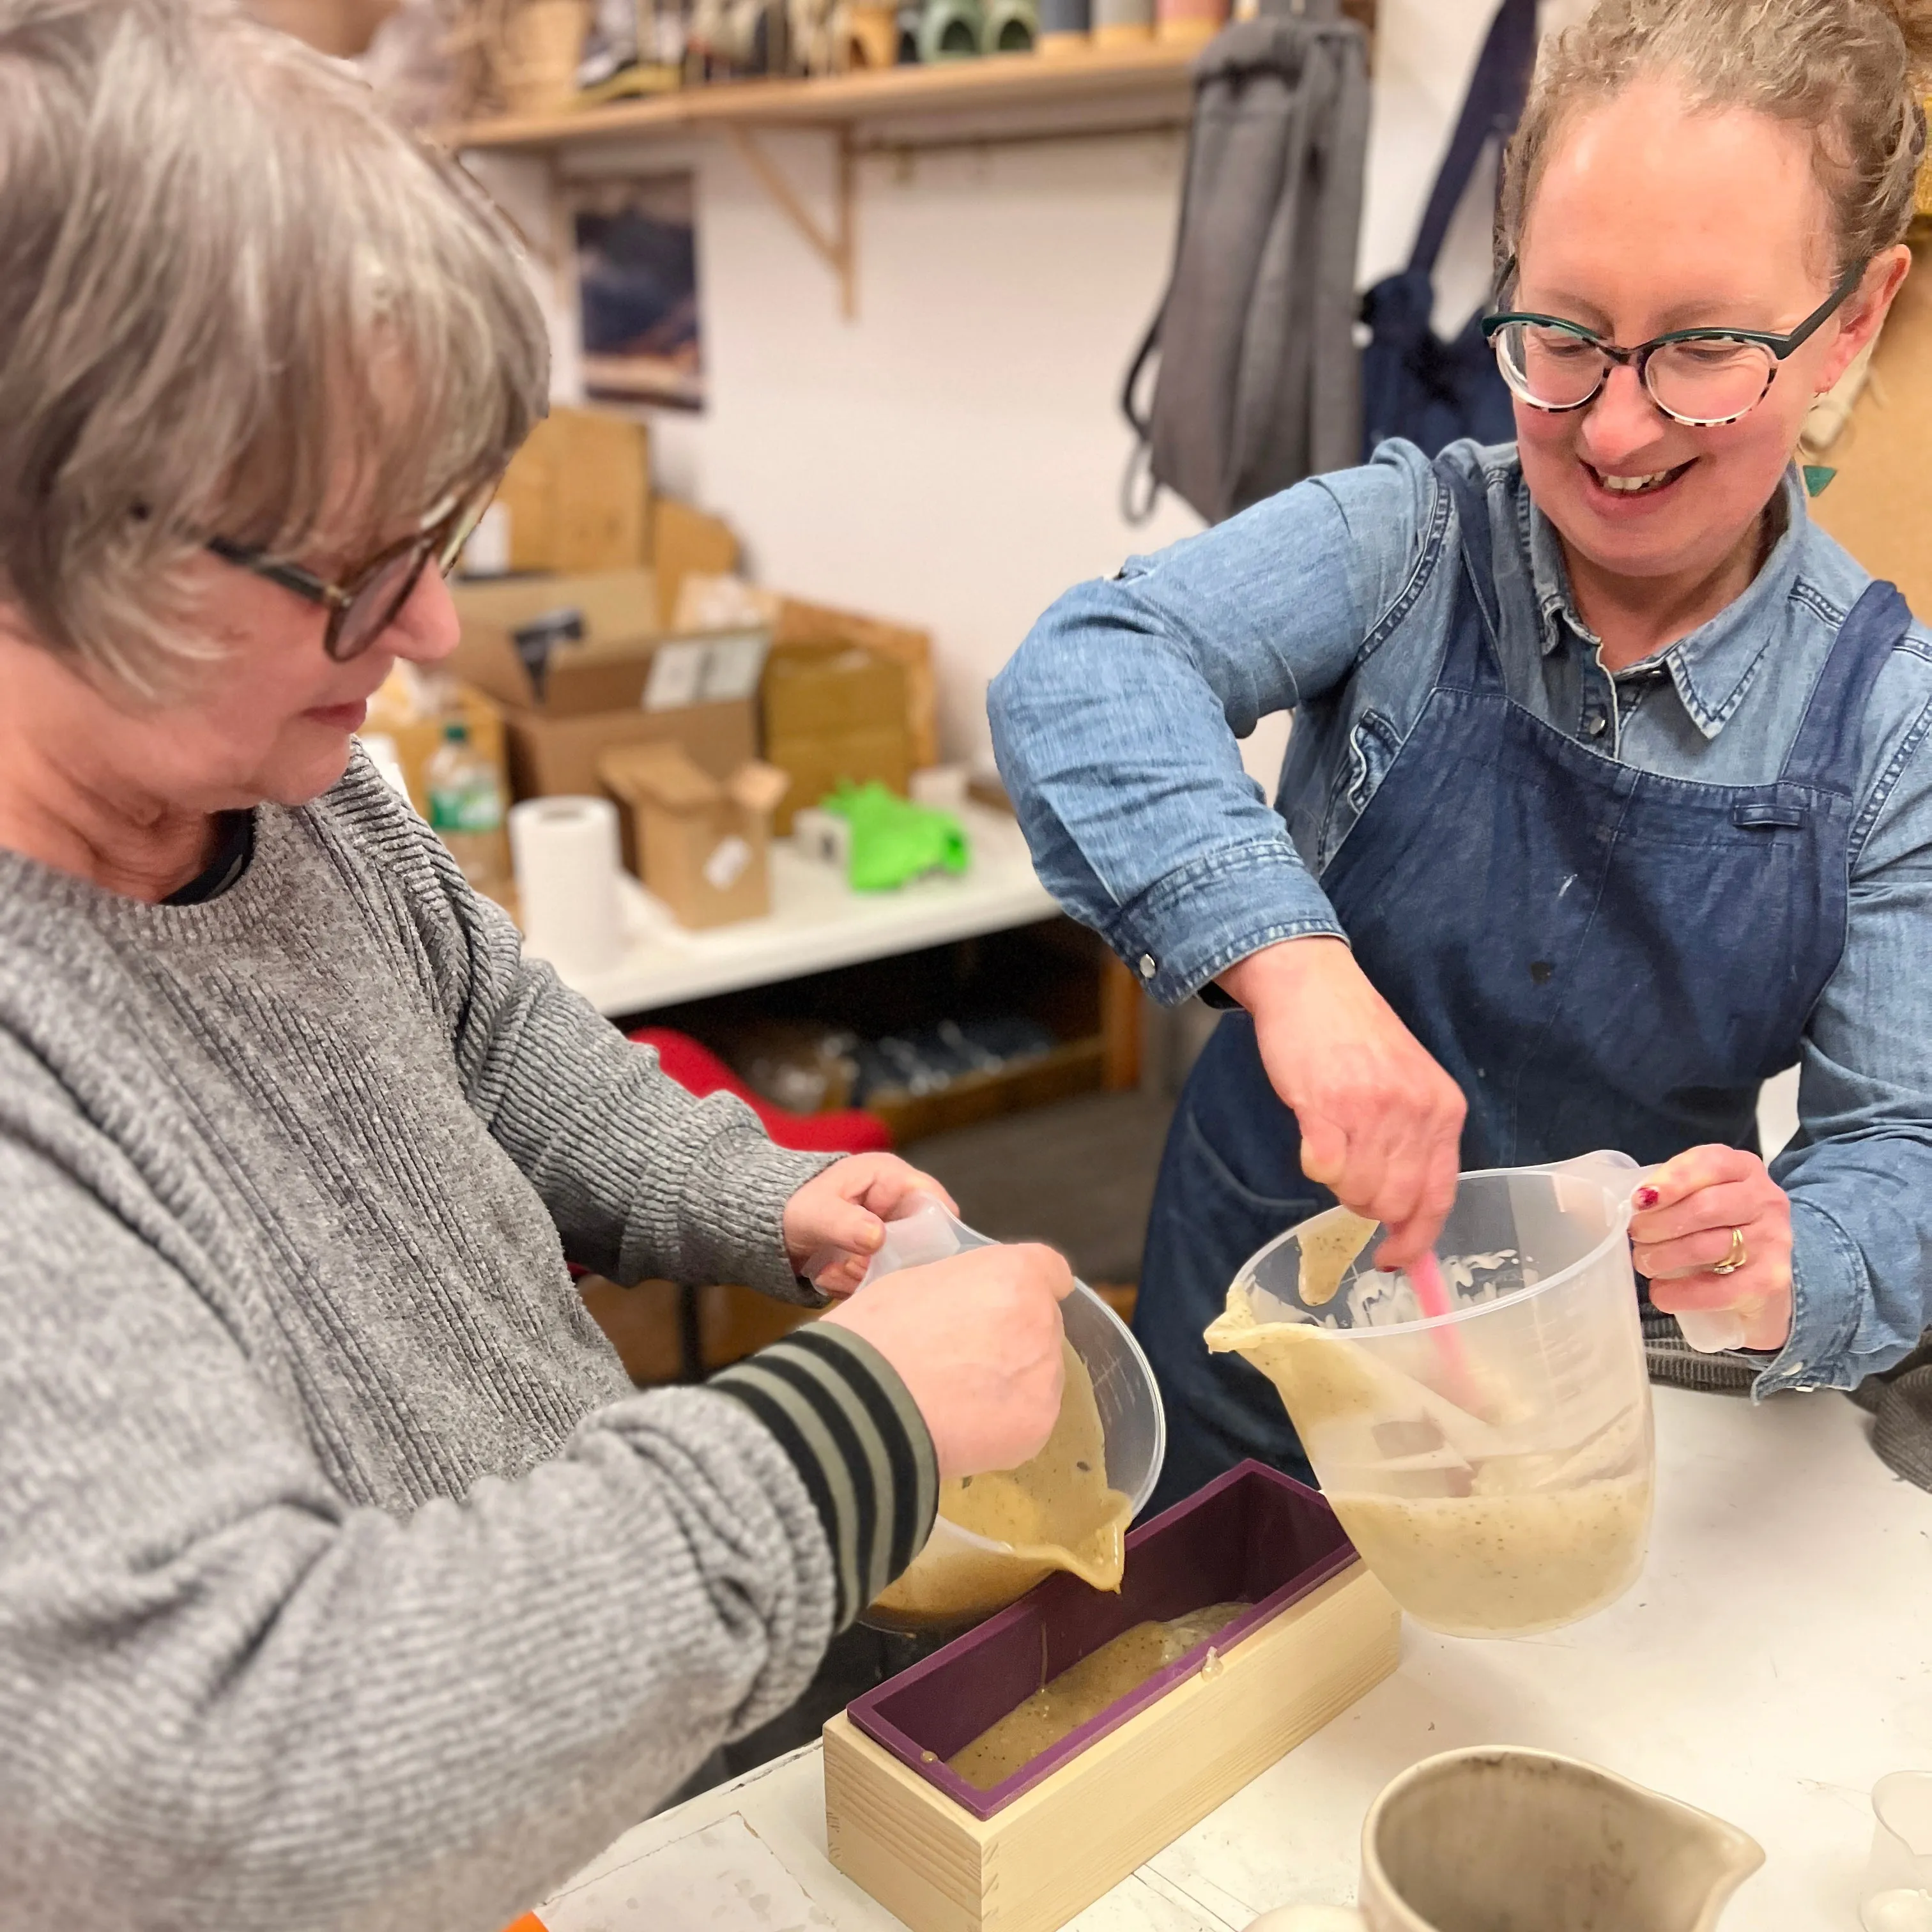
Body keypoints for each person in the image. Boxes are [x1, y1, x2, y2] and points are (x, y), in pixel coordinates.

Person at [0, 3, 1073, 1926]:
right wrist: (861, 1426)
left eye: (443, 533)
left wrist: (764, 1197)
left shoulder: (295, 779)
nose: (424, 625)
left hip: (633, 1726)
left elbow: (492, 1038)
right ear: (58, 528)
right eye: (345, 565)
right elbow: (240, 1786)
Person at [992, 0, 1932, 1510]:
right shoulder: (1410, 541)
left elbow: (1902, 1145)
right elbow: (1088, 669)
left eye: (1703, 350)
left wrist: (1785, 1264)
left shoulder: (1893, 729)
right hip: (1263, 1354)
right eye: (1561, 335)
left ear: (1855, 319)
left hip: (1583, 1398)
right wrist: (1296, 973)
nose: (1616, 429)